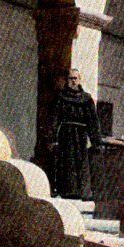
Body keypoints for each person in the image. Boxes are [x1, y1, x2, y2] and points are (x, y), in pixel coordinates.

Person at [49, 69, 102, 200]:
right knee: (66, 162)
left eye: (75, 78)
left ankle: (81, 192)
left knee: (81, 162)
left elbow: (93, 121)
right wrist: (52, 138)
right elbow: (55, 118)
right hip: (65, 134)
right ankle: (66, 191)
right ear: (67, 80)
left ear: (79, 80)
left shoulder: (87, 99)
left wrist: (96, 141)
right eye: (71, 78)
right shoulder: (61, 97)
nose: (73, 81)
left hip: (81, 135)